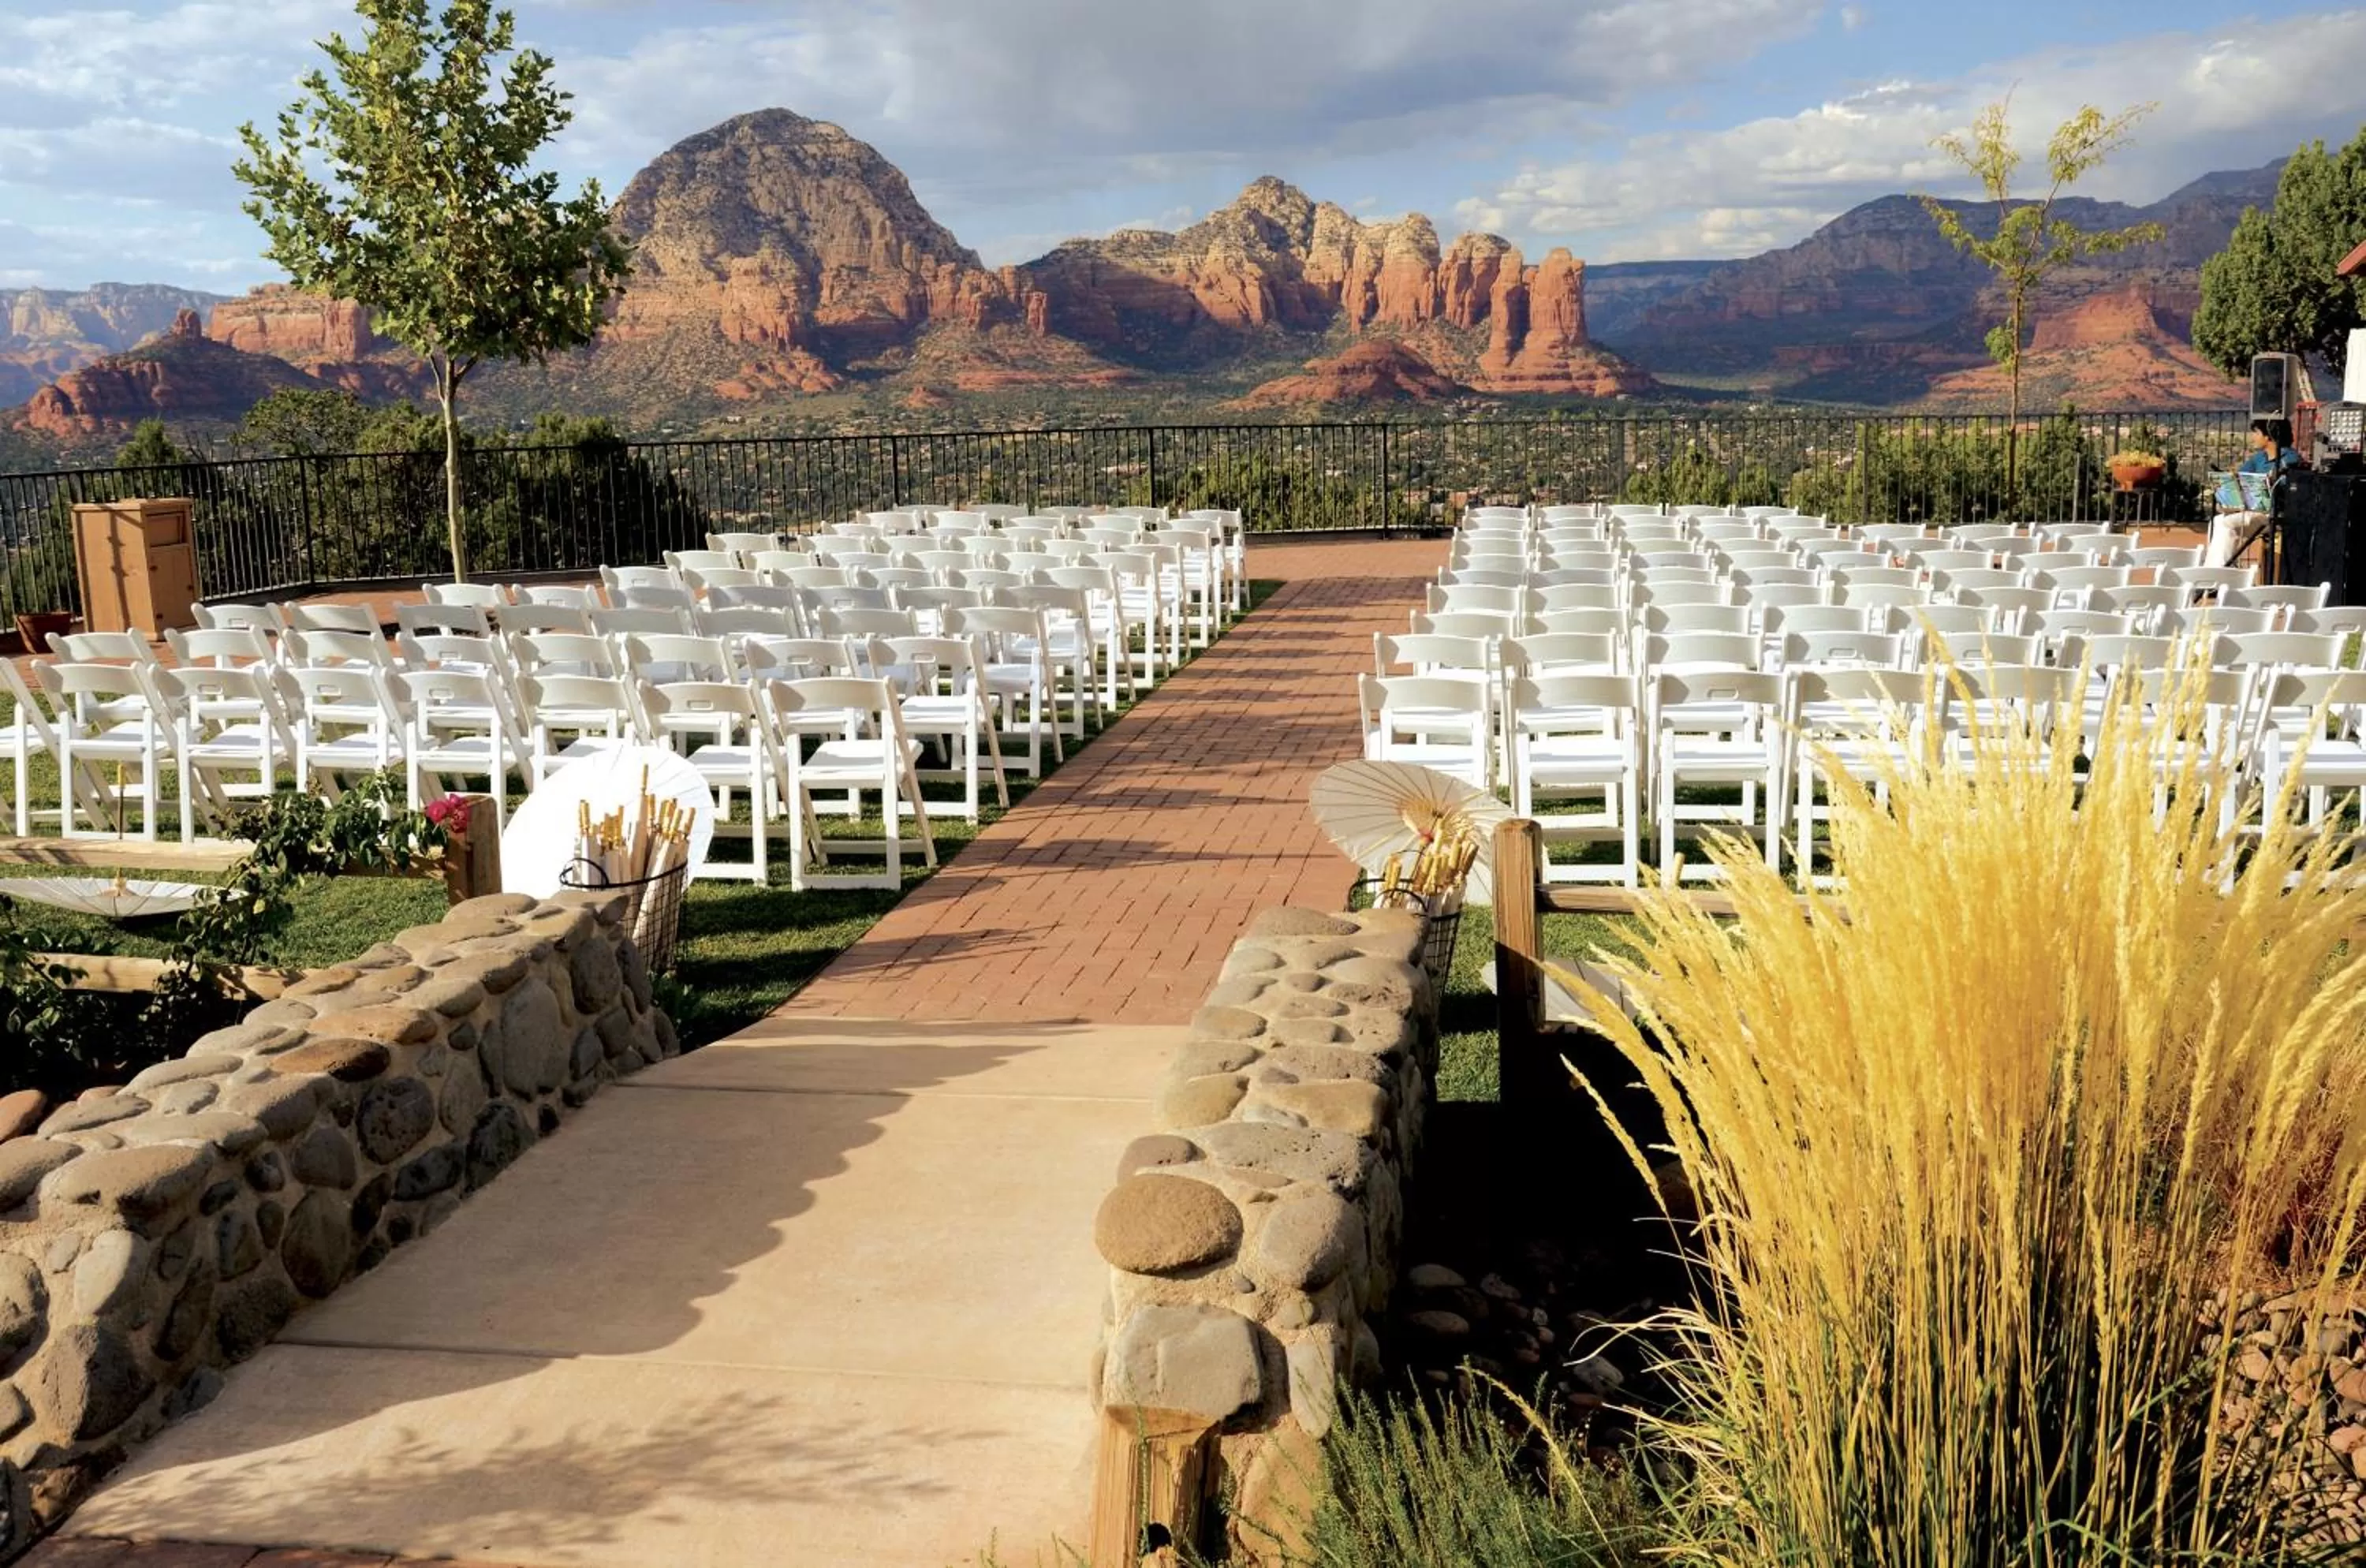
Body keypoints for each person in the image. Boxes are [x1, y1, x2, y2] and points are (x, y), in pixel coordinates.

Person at [2205, 418, 2307, 568]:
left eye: (2256, 433)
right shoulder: (2259, 458)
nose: (2253, 437)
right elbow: (2240, 479)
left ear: (2269, 436)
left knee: (2227, 523)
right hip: (2254, 510)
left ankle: (2217, 576)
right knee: (2217, 521)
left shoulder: (2290, 459)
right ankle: (2217, 570)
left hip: (2274, 514)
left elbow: (2286, 488)